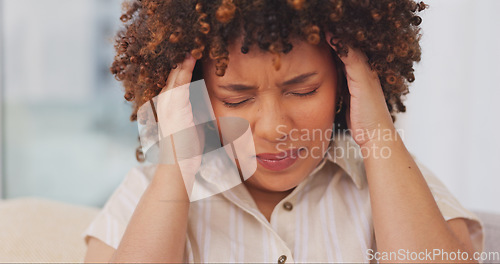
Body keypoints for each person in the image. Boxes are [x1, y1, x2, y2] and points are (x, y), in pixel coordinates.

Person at [83, 0, 484, 263]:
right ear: (193, 99)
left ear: (345, 84)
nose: (275, 128)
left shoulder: (395, 181)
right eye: (236, 99)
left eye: (303, 90)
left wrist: (377, 129)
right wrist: (177, 163)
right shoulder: (146, 196)